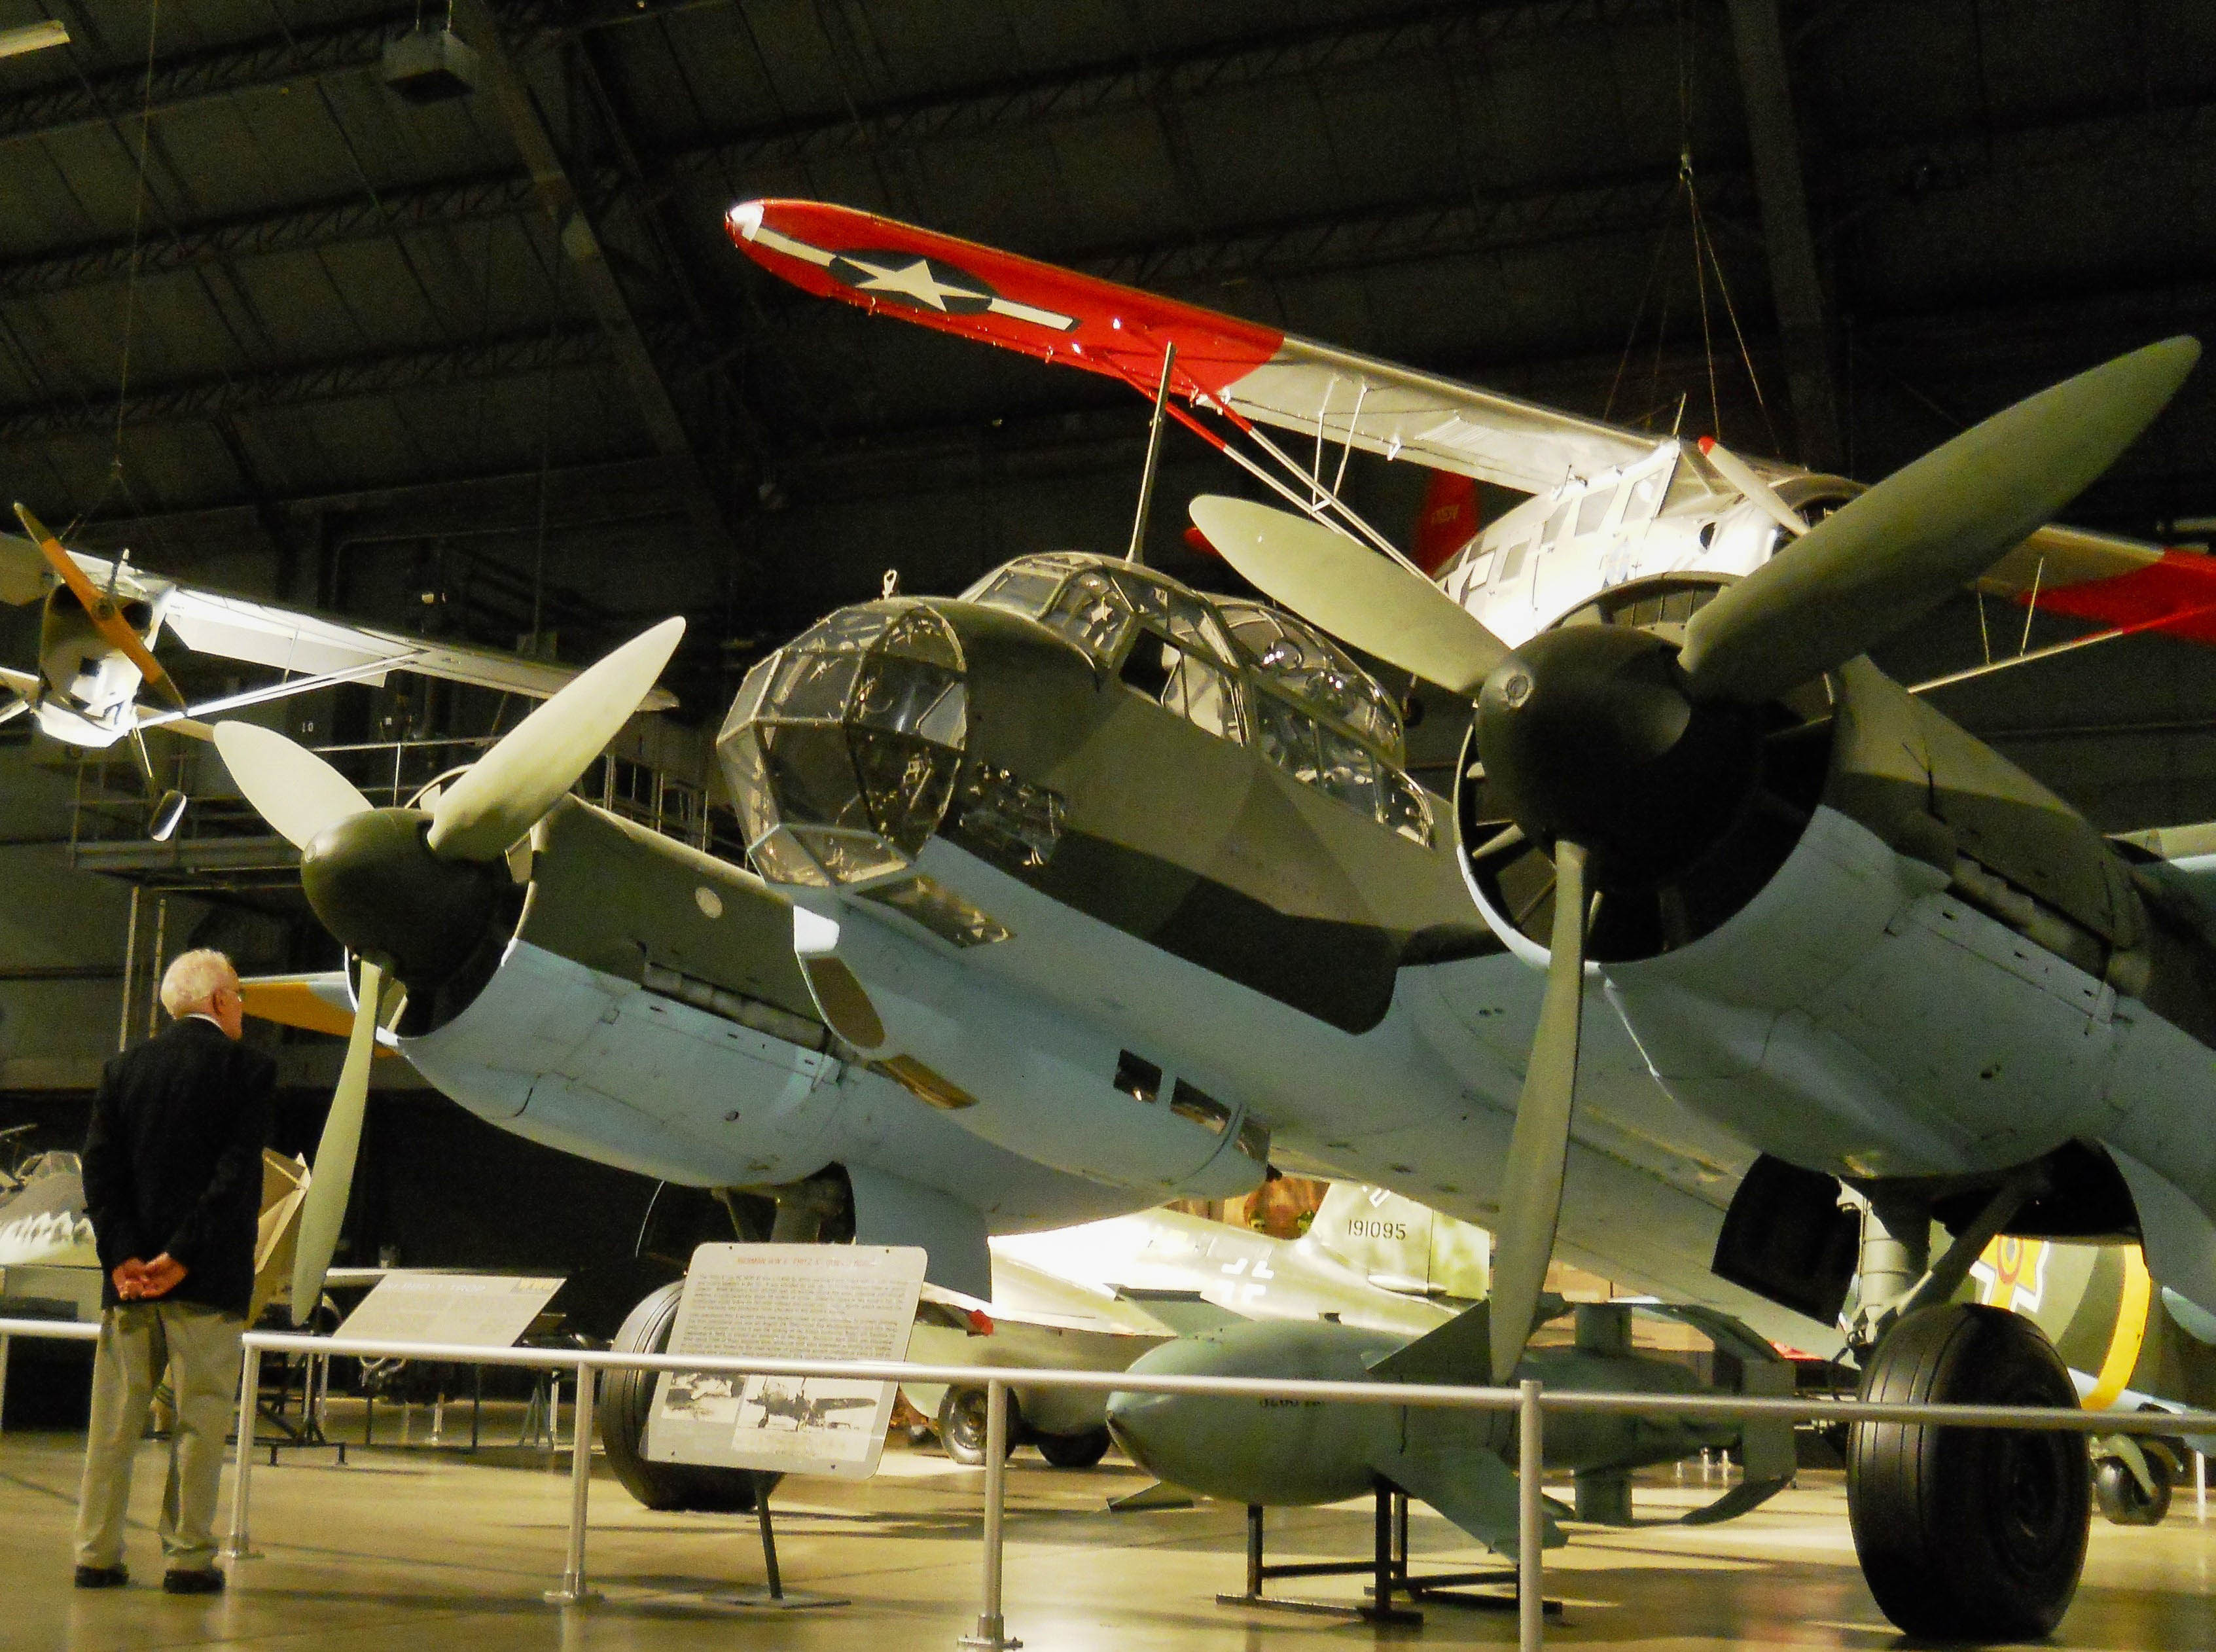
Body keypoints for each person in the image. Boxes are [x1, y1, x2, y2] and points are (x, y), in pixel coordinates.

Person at [73, 948, 274, 1594]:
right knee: (198, 1421)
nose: (242, 1005)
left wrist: (126, 1257)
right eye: (238, 994)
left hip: (128, 1287)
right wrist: (182, 1256)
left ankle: (96, 1553)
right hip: (206, 1282)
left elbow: (100, 1173)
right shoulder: (248, 1070)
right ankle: (187, 1558)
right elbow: (235, 1176)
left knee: (113, 1425)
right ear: (217, 1000)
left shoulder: (122, 1069)